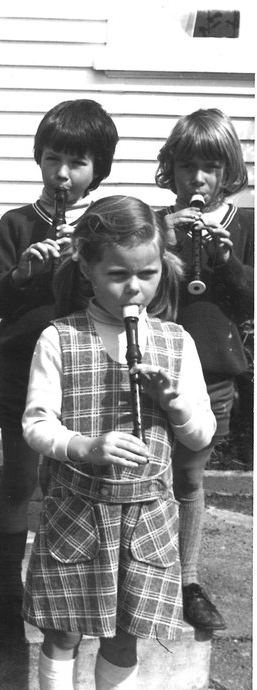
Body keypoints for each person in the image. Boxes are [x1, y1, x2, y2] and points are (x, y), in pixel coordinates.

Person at [23, 195, 216, 690]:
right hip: (76, 511)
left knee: (126, 632)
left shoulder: (176, 341)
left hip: (147, 515)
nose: (135, 288)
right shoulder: (59, 337)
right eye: (117, 275)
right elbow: (36, 426)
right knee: (63, 630)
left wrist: (173, 406)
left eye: (148, 274)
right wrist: (85, 445)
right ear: (86, 268)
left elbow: (201, 436)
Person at [0, 99, 119, 644]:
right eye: (53, 158)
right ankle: (9, 595)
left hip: (80, 370)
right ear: (39, 158)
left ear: (98, 171)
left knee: (70, 481)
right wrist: (22, 272)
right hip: (22, 367)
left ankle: (67, 587)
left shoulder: (101, 226)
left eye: (77, 163)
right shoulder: (18, 224)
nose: (62, 174)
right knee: (18, 480)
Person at [154, 108, 254, 632]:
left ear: (228, 171)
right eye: (188, 166)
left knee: (189, 476)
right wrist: (164, 234)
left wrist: (229, 261)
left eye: (211, 168)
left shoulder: (247, 225)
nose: (199, 179)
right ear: (171, 169)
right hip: (155, 367)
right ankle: (142, 571)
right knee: (147, 471)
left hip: (212, 372)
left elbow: (250, 304)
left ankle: (187, 580)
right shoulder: (156, 220)